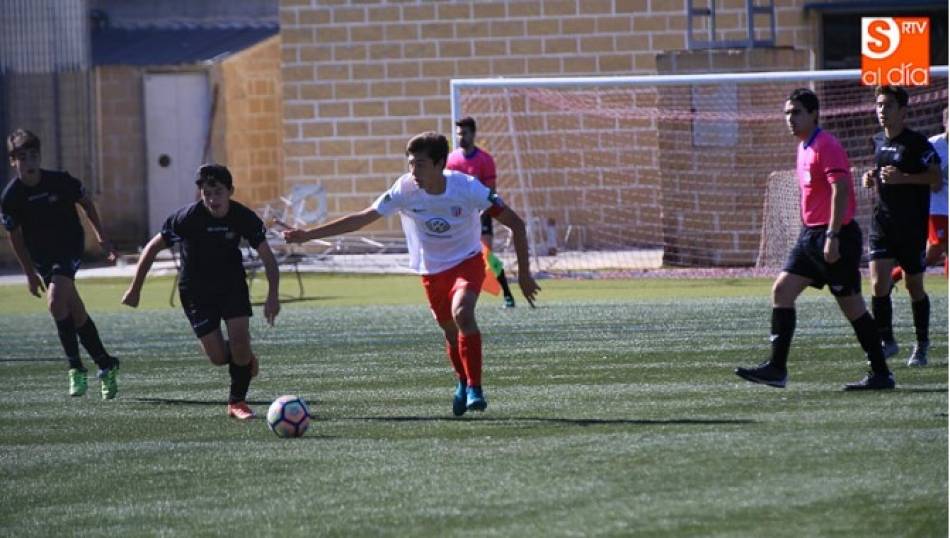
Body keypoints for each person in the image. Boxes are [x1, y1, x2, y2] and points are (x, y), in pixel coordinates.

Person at [283, 132, 540, 415]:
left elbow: (516, 223)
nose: (413, 171)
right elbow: (362, 218)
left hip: (467, 261)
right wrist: (307, 235)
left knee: (463, 313)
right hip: (431, 270)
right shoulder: (404, 190)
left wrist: (525, 275)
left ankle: (475, 388)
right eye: (410, 164)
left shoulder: (468, 188)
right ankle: (463, 381)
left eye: (420, 164)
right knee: (450, 332)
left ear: (440, 163)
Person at [735, 88, 894, 390]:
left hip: (834, 236)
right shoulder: (803, 146)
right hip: (811, 237)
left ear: (813, 114)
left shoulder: (825, 145)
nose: (789, 119)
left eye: (796, 112)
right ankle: (777, 368)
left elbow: (841, 190)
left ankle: (881, 373)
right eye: (786, 113)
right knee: (781, 291)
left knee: (853, 307)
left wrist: (832, 236)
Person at [121, 164, 280, 420]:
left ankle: (236, 401)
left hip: (231, 285)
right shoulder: (186, 219)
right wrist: (135, 289)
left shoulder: (243, 217)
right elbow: (152, 248)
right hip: (196, 292)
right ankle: (245, 358)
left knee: (240, 341)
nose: (213, 199)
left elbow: (268, 257)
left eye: (218, 192)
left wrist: (273, 297)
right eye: (207, 193)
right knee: (218, 357)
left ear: (230, 191)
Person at [1, 128, 120, 399]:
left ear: (39, 157)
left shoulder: (60, 181)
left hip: (69, 246)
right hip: (43, 258)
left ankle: (75, 368)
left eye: (33, 155)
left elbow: (86, 203)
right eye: (22, 157)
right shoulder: (10, 197)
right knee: (74, 312)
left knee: (56, 302)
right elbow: (15, 237)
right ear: (13, 161)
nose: (29, 162)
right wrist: (29, 274)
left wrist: (102, 237)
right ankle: (106, 363)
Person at [861, 86, 942, 367]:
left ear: (903, 111)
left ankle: (921, 344)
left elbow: (936, 179)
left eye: (888, 106)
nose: (882, 111)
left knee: (914, 286)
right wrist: (871, 177)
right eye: (879, 105)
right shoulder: (876, 141)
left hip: (911, 226)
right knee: (878, 283)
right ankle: (887, 341)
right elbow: (882, 174)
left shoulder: (918, 144)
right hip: (882, 223)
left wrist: (904, 177)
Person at [446, 116, 518, 308]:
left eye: (465, 133)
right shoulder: (452, 160)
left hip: (482, 214)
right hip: (459, 217)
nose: (461, 137)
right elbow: (449, 190)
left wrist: (483, 213)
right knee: (455, 257)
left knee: (487, 255)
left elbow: (490, 191)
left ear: (473, 134)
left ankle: (507, 294)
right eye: (459, 133)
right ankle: (458, 296)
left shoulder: (485, 160)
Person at [891, 106, 948, 289]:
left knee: (936, 252)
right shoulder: (933, 145)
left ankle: (896, 275)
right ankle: (893, 277)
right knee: (937, 248)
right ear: (945, 122)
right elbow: (924, 176)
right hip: (936, 206)